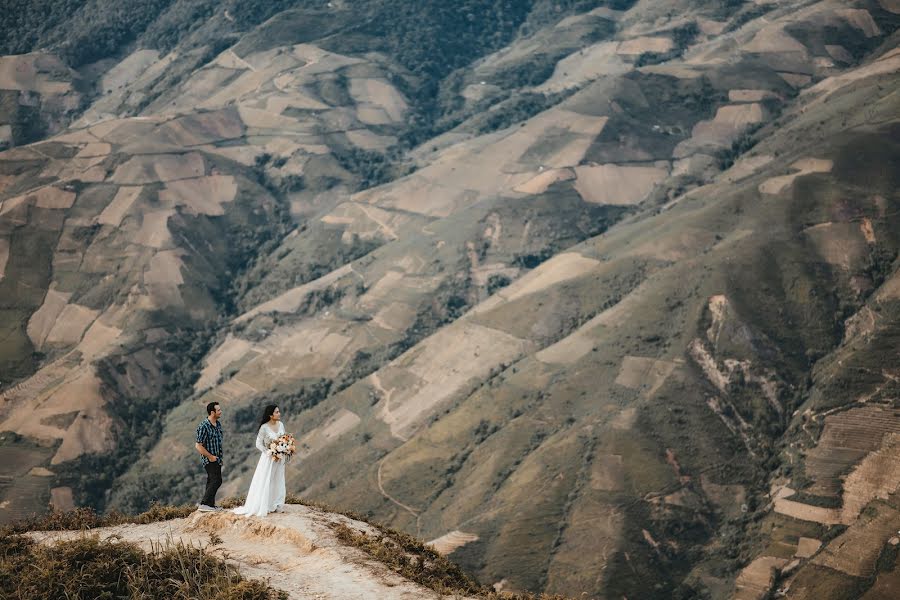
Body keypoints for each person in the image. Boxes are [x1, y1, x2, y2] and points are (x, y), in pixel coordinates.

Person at [233, 404, 287, 517]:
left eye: (278, 411)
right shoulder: (264, 427)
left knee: (278, 479)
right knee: (267, 479)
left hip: (280, 458)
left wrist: (285, 448)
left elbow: (284, 438)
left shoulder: (281, 424)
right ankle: (265, 504)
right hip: (268, 458)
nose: (279, 413)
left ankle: (277, 504)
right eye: (277, 412)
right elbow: (258, 443)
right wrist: (268, 451)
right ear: (270, 415)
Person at [195, 401, 224, 512]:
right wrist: (210, 456)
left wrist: (219, 458)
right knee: (217, 480)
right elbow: (198, 445)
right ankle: (203, 504)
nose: (221, 412)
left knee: (211, 480)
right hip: (209, 459)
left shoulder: (218, 424)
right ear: (212, 412)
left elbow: (218, 442)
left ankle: (210, 505)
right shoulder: (204, 426)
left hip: (217, 458)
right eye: (219, 410)